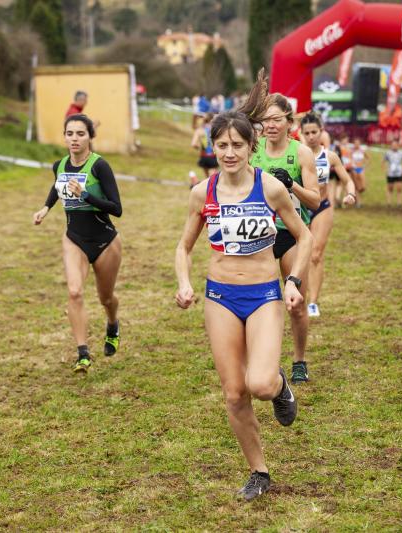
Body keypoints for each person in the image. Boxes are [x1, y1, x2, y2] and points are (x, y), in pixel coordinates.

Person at [174, 72, 311, 501]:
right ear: (212, 148)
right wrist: (184, 282)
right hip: (220, 296)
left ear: (250, 146)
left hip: (264, 294)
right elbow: (183, 247)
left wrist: (292, 281)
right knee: (234, 393)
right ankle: (259, 471)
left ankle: (281, 386)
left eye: (237, 145)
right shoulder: (203, 193)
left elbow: (304, 236)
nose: (229, 152)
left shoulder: (269, 188)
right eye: (222, 145)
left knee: (261, 384)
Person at [32, 114, 122, 372]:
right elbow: (57, 186)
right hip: (74, 238)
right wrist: (45, 208)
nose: (74, 139)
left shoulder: (99, 166)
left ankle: (113, 324)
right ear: (64, 136)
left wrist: (85, 195)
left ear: (90, 137)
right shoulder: (59, 165)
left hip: (105, 240)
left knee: (106, 298)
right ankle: (83, 353)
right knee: (74, 291)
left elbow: (117, 209)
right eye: (69, 133)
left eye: (80, 134)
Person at [249, 92, 320, 385]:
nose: (271, 124)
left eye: (277, 119)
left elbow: (315, 201)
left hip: (291, 233)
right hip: (258, 234)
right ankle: (262, 358)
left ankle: (299, 360)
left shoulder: (301, 153)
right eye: (266, 119)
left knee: (296, 301)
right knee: (260, 302)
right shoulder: (252, 151)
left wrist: (292, 185)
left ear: (290, 121)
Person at [299, 113, 357, 319]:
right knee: (300, 256)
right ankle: (299, 297)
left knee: (315, 254)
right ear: (301, 134)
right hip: (300, 209)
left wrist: (350, 193)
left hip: (323, 207)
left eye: (315, 132)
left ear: (321, 131)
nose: (311, 136)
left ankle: (313, 302)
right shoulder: (296, 154)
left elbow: (347, 180)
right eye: (307, 133)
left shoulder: (330, 156)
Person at [191, 113, 218, 179]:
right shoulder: (216, 129)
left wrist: (199, 147)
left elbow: (194, 144)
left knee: (207, 179)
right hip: (213, 156)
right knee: (212, 179)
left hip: (203, 156)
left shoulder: (200, 130)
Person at [383, 139, 402, 208]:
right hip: (390, 173)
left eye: (396, 145)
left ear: (398, 146)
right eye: (393, 145)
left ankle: (399, 203)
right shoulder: (388, 153)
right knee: (390, 188)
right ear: (391, 146)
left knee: (399, 188)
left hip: (399, 173)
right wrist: (385, 170)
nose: (394, 146)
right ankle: (389, 202)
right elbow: (383, 161)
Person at [350, 138, 368, 207]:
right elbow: (349, 158)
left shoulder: (362, 151)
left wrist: (365, 165)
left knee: (362, 186)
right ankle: (358, 202)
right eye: (355, 143)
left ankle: (355, 197)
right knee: (356, 186)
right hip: (354, 169)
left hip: (360, 168)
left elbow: (368, 158)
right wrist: (352, 164)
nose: (356, 144)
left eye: (358, 143)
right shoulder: (351, 151)